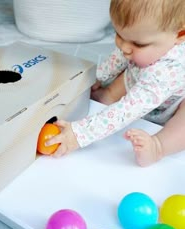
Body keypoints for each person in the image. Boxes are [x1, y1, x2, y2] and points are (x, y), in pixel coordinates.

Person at [46, 0, 185, 167]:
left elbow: (128, 110)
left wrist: (80, 133)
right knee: (111, 88)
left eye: (138, 44)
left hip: (176, 102)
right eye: (118, 34)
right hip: (139, 79)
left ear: (180, 34)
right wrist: (97, 77)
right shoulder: (137, 40)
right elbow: (118, 58)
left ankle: (158, 147)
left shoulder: (168, 70)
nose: (124, 47)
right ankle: (102, 97)